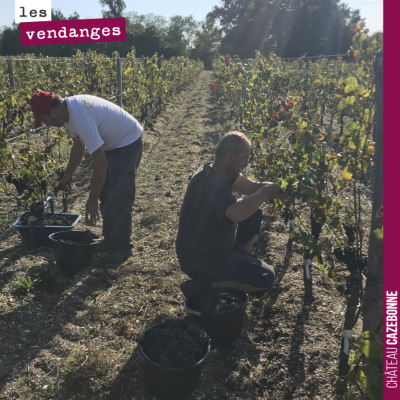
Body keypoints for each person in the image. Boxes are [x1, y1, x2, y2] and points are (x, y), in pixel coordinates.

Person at [29, 91, 144, 261]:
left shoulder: (81, 119)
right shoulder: (68, 113)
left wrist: (91, 200)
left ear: (53, 112)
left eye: (44, 120)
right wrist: (67, 176)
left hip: (127, 141)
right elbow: (78, 145)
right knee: (105, 195)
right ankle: (110, 240)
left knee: (119, 197)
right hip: (112, 144)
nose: (46, 125)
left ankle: (122, 248)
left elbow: (101, 164)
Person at [176, 131, 285, 298]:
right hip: (201, 259)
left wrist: (282, 188)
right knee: (265, 278)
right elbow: (236, 213)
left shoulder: (220, 171)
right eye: (245, 157)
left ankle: (238, 261)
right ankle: (206, 286)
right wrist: (265, 192)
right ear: (231, 156)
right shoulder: (211, 183)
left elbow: (252, 188)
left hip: (212, 245)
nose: (247, 163)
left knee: (254, 213)